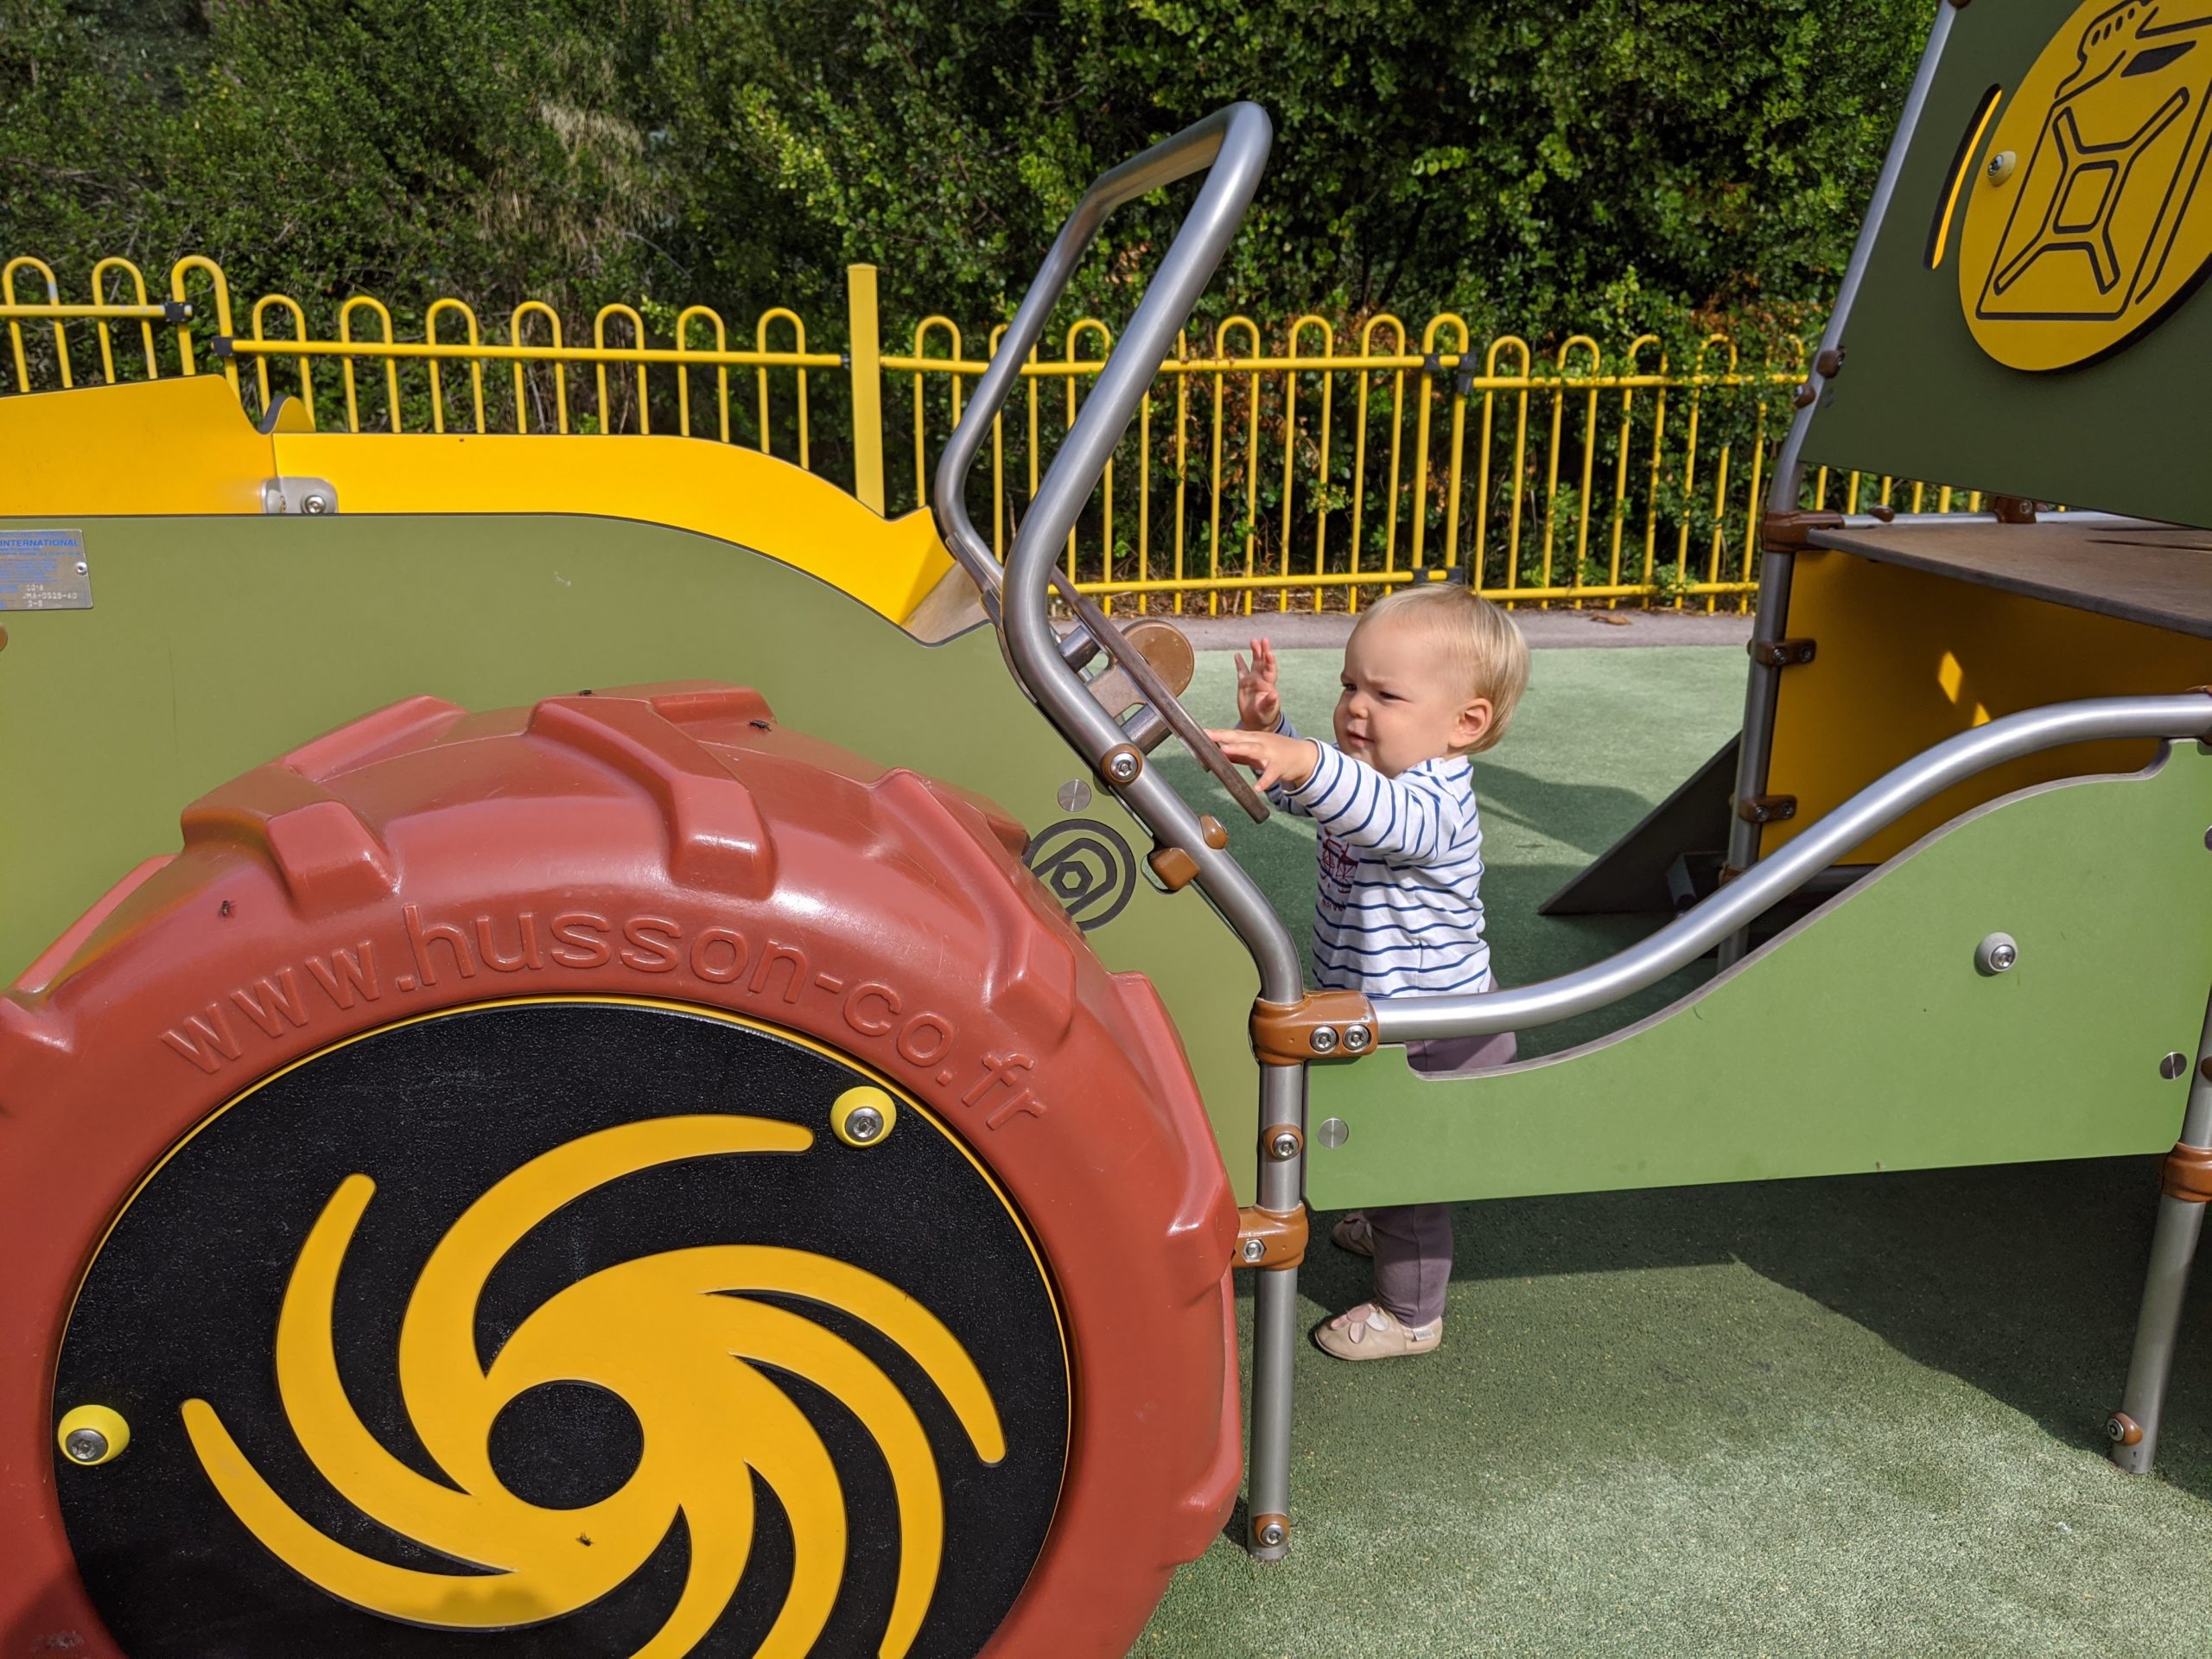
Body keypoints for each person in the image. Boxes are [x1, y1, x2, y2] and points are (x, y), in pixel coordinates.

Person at [1206, 582, 1529, 1360]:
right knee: (1377, 1147)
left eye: (1385, 695)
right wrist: (1275, 734)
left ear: (1464, 723)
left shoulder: (1435, 802)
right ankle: (1379, 1217)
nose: (1355, 707)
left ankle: (1411, 1315)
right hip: (1382, 1011)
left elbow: (1383, 818)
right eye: (1350, 684)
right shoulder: (1370, 778)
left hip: (1434, 1028)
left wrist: (1307, 759)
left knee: (1405, 1178)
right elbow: (1321, 801)